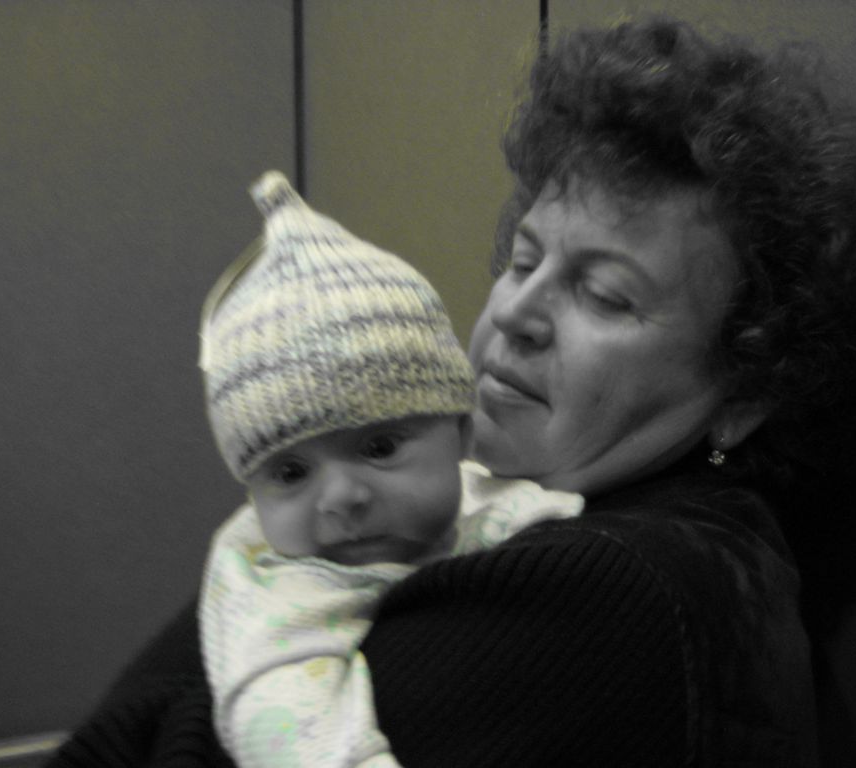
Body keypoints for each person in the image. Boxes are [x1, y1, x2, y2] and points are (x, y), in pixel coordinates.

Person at [47, 16, 856, 768]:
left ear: (745, 389)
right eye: (524, 260)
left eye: (604, 295)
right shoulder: (535, 508)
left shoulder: (614, 587)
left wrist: (259, 569)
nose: (517, 313)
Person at [197, 171, 582, 767]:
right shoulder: (283, 603)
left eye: (378, 447)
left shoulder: (491, 499)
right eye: (291, 473)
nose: (340, 498)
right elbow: (293, 736)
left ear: (461, 434)